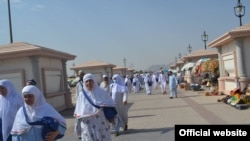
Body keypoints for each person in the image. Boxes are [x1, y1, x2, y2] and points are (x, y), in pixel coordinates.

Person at [74, 73, 116, 141]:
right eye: (86, 81)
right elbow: (78, 111)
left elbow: (110, 104)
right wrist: (77, 128)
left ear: (94, 81)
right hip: (88, 125)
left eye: (90, 81)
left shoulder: (101, 92)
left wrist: (112, 118)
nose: (89, 83)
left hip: (101, 123)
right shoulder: (82, 95)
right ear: (84, 83)